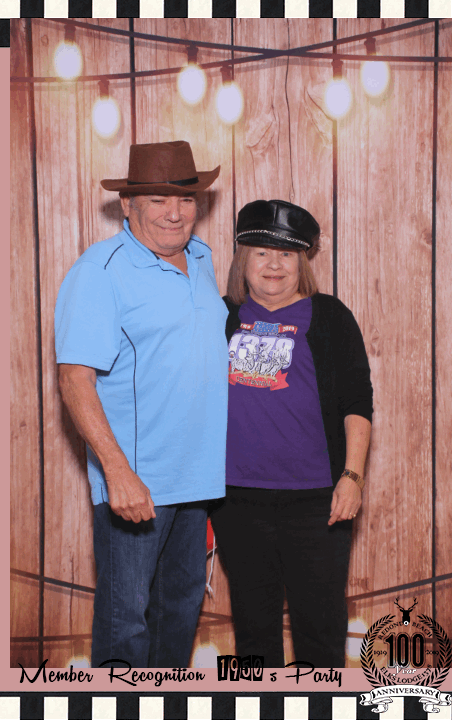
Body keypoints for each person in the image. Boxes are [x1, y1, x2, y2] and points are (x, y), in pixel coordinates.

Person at [54, 141, 228, 669]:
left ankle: (165, 704)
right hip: (138, 483)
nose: (174, 213)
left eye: (185, 198)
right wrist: (117, 473)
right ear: (127, 205)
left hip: (196, 480)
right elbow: (75, 379)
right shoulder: (100, 270)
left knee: (179, 616)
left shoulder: (201, 258)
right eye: (157, 199)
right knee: (125, 625)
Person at [210, 199, 373, 668]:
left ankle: (322, 703)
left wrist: (352, 477)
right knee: (253, 630)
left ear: (302, 262)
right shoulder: (220, 316)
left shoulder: (330, 317)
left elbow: (357, 403)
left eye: (286, 254)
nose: (274, 264)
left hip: (317, 503)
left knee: (320, 631)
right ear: (243, 260)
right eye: (261, 252)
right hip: (237, 501)